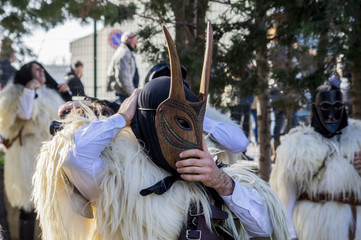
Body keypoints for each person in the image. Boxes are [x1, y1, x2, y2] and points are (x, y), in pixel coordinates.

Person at [33, 24, 289, 240]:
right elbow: (75, 155)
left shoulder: (209, 172)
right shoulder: (118, 175)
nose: (192, 140)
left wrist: (220, 182)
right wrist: (120, 118)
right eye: (181, 124)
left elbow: (264, 226)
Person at [270, 82, 361, 240]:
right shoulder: (296, 147)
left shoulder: (358, 139)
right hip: (311, 231)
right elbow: (284, 198)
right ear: (316, 108)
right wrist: (289, 234)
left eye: (337, 106)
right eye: (325, 107)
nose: (332, 115)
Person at [0, 61, 71, 240]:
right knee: (28, 207)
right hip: (25, 157)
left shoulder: (50, 92)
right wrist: (30, 89)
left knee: (51, 206)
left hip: (47, 155)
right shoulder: (15, 93)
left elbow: (64, 119)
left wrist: (66, 93)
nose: (41, 72)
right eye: (36, 70)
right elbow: (25, 113)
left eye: (41, 69)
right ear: (27, 74)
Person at [107, 32, 139, 104]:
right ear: (126, 40)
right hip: (124, 95)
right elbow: (124, 78)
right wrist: (133, 94)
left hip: (126, 94)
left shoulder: (126, 52)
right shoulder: (124, 53)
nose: (136, 41)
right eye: (134, 39)